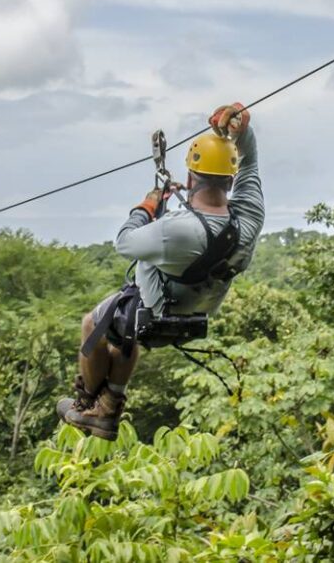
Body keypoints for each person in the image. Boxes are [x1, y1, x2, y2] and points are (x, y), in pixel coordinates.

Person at [56, 102, 265, 440]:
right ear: (231, 178)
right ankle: (109, 406)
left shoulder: (175, 231)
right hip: (199, 308)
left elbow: (125, 242)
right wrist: (242, 131)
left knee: (92, 323)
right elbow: (251, 163)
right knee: (122, 334)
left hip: (159, 307)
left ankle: (88, 407)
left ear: (190, 177)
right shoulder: (249, 218)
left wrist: (147, 206)